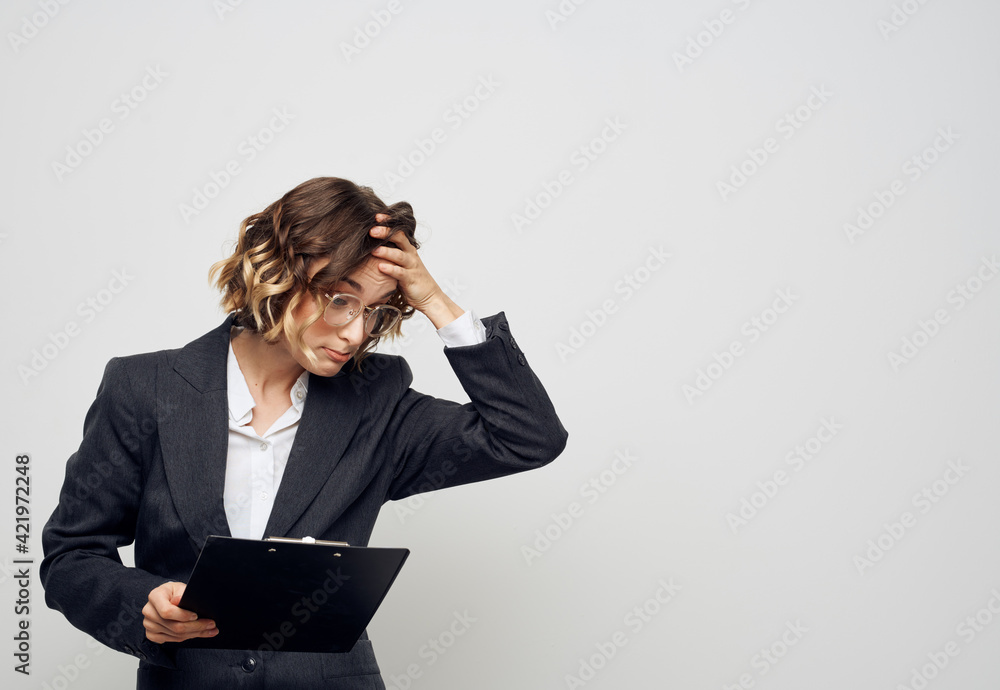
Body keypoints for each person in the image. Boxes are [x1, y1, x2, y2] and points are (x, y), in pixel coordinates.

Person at [40, 177, 568, 689]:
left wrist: (435, 301)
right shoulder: (144, 389)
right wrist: (142, 606)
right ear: (277, 272)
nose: (357, 333)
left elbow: (528, 437)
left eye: (375, 311)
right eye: (340, 299)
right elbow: (71, 555)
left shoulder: (377, 404)